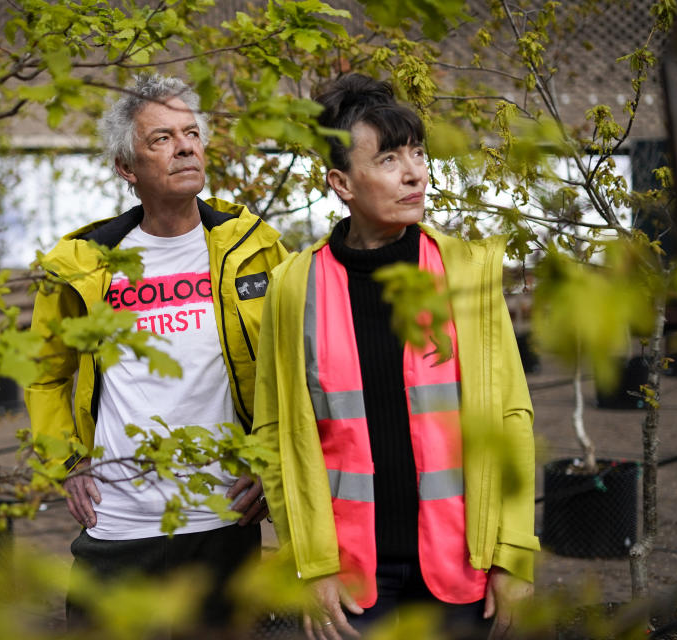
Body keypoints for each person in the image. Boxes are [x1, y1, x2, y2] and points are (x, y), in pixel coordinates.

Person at [253, 74, 539, 640]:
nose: (414, 172)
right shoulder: (294, 286)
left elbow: (511, 417)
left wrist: (512, 553)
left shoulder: (467, 273)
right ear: (342, 182)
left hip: (462, 561)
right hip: (352, 571)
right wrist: (309, 563)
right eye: (388, 159)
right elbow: (276, 433)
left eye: (417, 153)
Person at [24, 73, 288, 630]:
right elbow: (44, 376)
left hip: (223, 520)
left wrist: (272, 466)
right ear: (127, 168)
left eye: (191, 132)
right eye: (161, 138)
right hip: (120, 524)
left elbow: (290, 368)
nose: (186, 145)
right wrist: (68, 464)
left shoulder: (254, 249)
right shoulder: (85, 264)